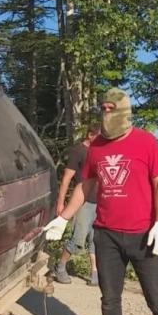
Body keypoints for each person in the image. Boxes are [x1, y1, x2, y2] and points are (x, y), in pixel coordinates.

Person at [43, 88, 158, 315]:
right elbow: (85, 185)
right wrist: (63, 218)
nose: (106, 112)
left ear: (125, 110)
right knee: (109, 299)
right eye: (103, 108)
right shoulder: (96, 146)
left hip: (143, 235)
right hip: (106, 236)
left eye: (111, 108)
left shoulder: (145, 141)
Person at [54, 122, 101, 286]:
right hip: (83, 202)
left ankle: (94, 272)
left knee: (95, 239)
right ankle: (60, 266)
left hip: (98, 202)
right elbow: (66, 178)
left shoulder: (98, 152)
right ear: (90, 135)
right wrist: (61, 203)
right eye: (99, 137)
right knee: (78, 239)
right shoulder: (78, 151)